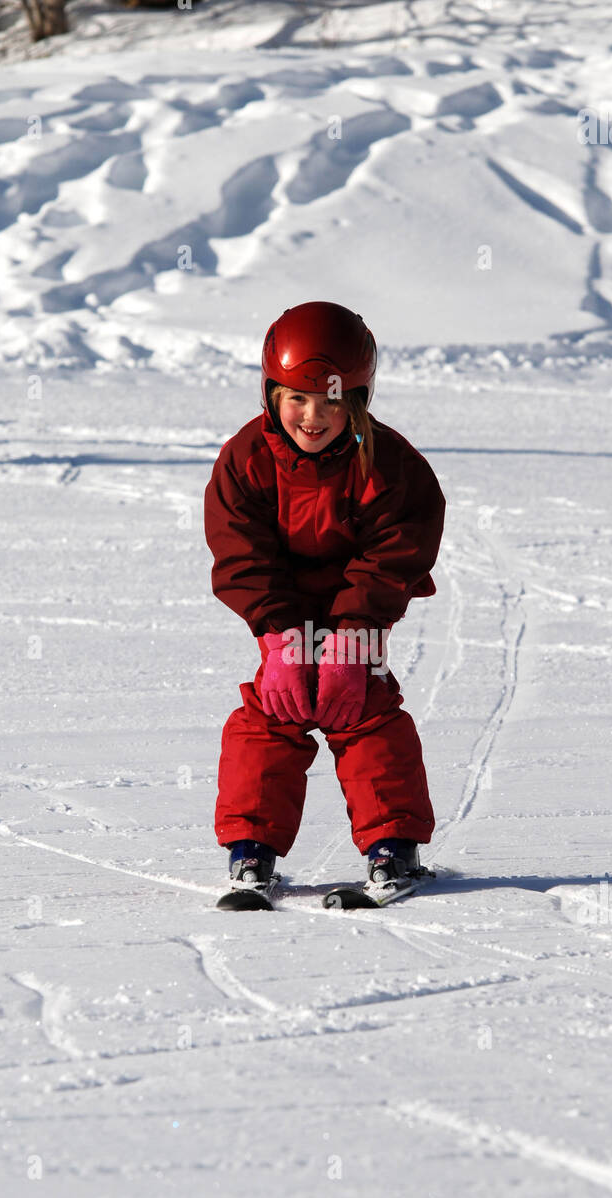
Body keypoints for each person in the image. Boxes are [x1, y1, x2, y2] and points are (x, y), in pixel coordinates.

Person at [203, 300, 446, 902]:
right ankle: (250, 850)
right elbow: (240, 551)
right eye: (298, 399)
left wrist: (353, 634)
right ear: (270, 393)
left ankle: (393, 847)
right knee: (269, 718)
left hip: (357, 612)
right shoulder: (246, 459)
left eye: (332, 400)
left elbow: (397, 548)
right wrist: (279, 634)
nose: (314, 416)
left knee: (364, 712)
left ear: (358, 399)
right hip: (282, 614)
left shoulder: (389, 463)